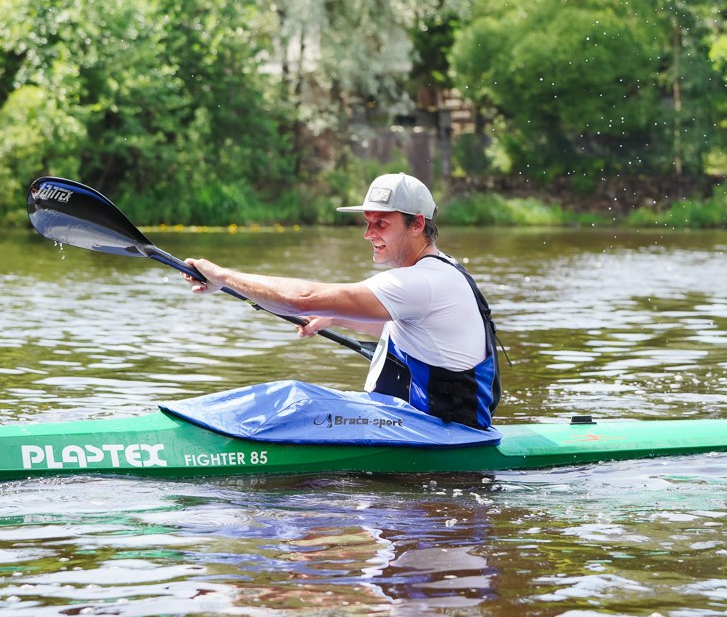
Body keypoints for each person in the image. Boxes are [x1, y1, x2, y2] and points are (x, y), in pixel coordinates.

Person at [183, 172, 501, 430]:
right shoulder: (440, 270)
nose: (368, 233)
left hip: (440, 433)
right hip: (420, 422)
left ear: (417, 224)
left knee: (295, 399)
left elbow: (302, 299)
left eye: (381, 223)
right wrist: (336, 318)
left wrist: (222, 275)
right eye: (367, 222)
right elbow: (422, 337)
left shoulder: (422, 281)